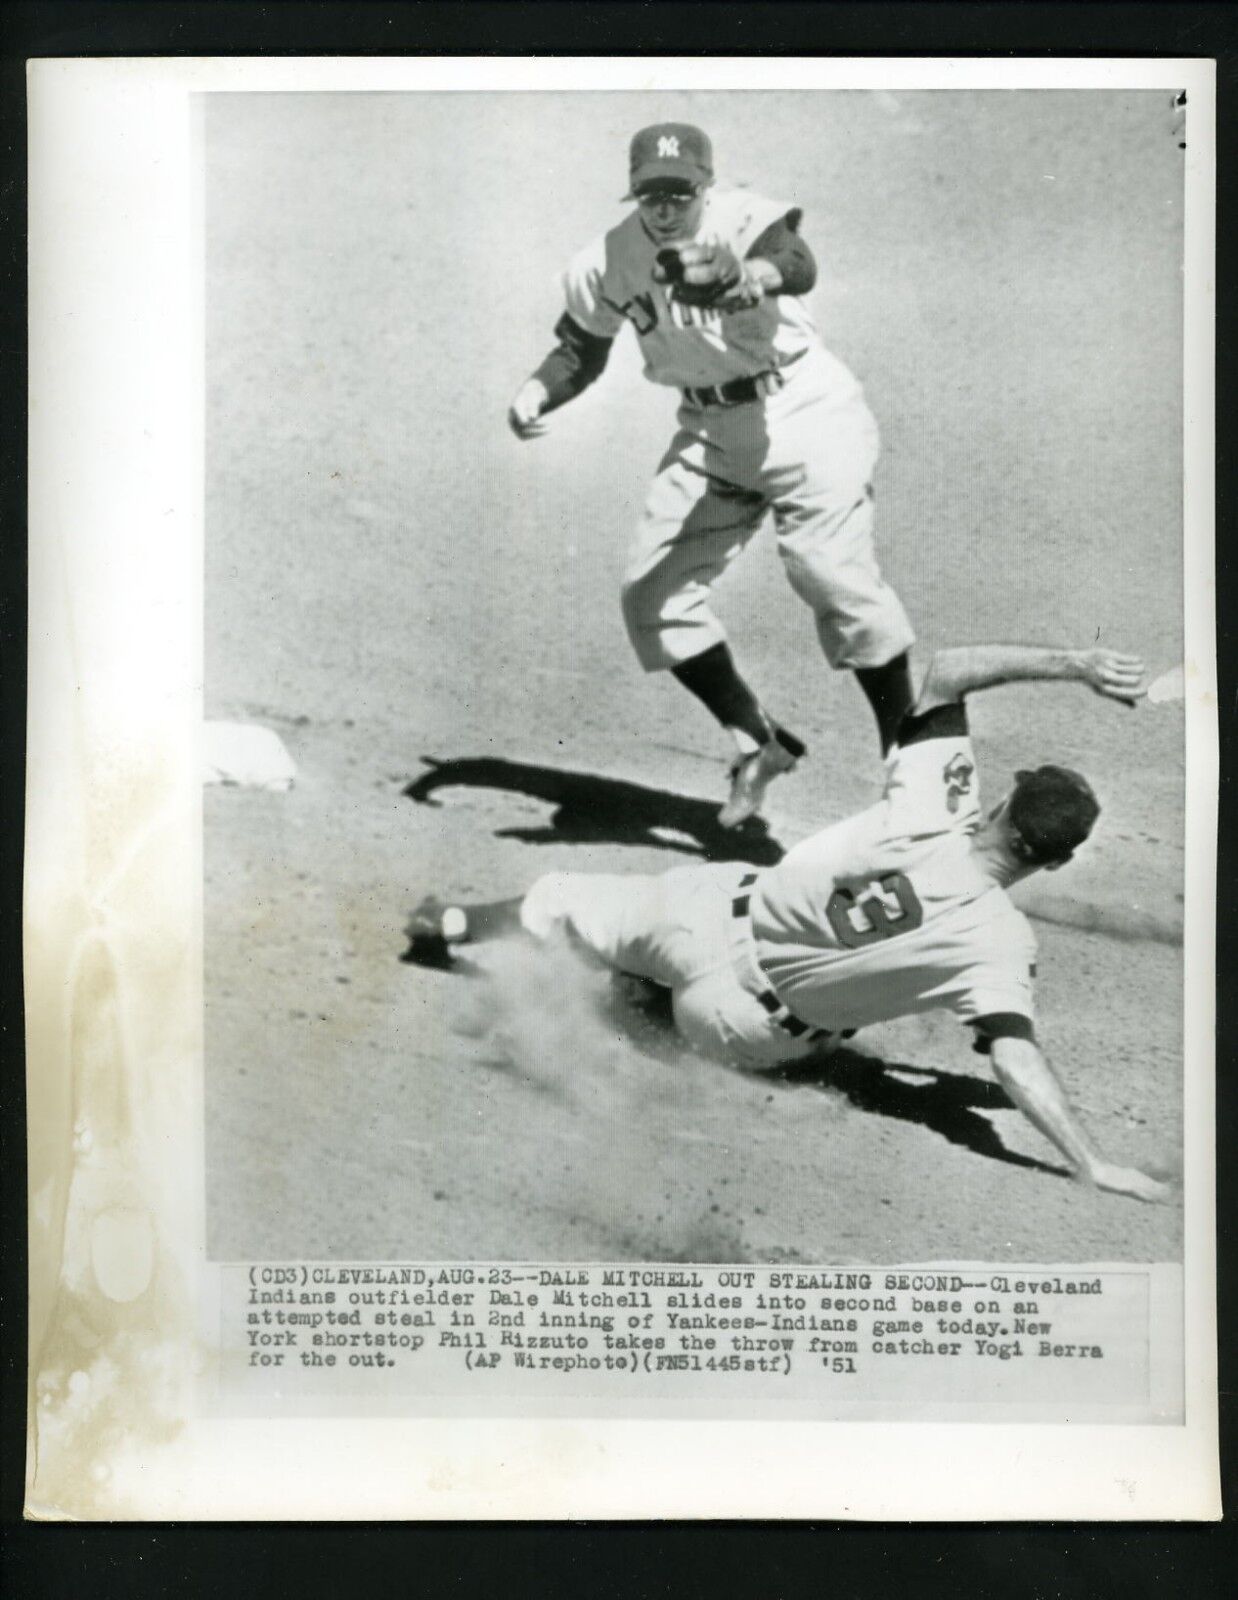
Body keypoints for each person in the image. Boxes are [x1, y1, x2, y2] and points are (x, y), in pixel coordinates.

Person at [406, 640, 1171, 1204]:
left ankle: (450, 926)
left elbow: (947, 669)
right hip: (738, 1030)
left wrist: (1077, 665)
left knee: (565, 900)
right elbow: (1014, 1062)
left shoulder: (937, 808)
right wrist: (1090, 1160)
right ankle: (638, 1007)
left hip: (702, 916)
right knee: (811, 1034)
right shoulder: (1002, 948)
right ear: (1055, 863)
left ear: (1001, 805)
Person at [508, 122, 916, 827]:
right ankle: (758, 742)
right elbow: (580, 348)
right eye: (650, 193)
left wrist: (750, 276)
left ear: (707, 185)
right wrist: (537, 391)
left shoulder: (742, 219)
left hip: (804, 410)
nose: (665, 207)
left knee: (832, 579)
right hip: (708, 431)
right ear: (632, 192)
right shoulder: (605, 261)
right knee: (652, 597)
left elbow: (795, 259)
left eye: (680, 191)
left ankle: (916, 772)